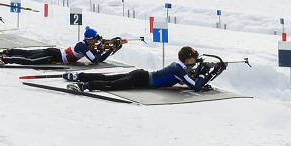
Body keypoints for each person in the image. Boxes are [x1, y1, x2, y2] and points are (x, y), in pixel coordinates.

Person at [65, 46, 215, 93]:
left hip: (141, 75)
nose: (195, 60)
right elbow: (195, 86)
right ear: (187, 59)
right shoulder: (179, 70)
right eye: (194, 58)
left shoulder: (179, 67)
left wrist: (205, 74)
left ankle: (79, 76)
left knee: (108, 78)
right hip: (140, 79)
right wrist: (203, 74)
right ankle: (83, 85)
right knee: (112, 85)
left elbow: (190, 80)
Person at [0, 28, 125, 65]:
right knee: (30, 60)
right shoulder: (83, 47)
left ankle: (9, 52)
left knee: (29, 54)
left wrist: (109, 49)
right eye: (94, 40)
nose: (96, 42)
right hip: (54, 56)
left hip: (55, 53)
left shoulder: (85, 45)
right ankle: (5, 59)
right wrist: (107, 50)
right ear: (89, 39)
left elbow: (99, 57)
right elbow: (95, 60)